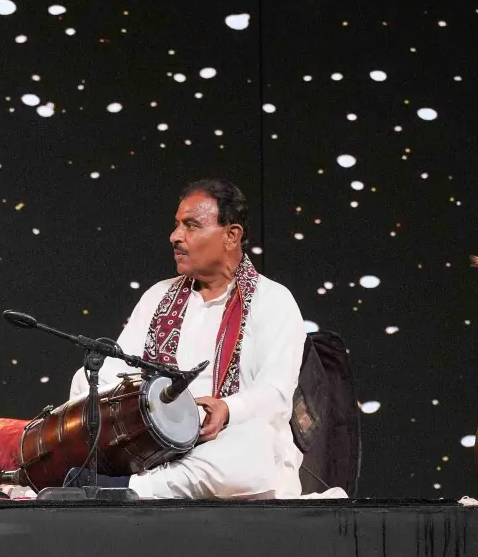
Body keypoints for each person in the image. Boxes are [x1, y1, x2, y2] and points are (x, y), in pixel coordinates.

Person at [66, 178, 307, 499]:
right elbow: (116, 371)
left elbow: (276, 394)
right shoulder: (158, 296)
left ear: (231, 235)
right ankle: (131, 482)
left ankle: (128, 489)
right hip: (154, 444)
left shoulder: (273, 300)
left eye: (191, 226)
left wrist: (226, 410)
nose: (175, 237)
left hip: (224, 446)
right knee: (87, 380)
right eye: (177, 225)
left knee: (253, 446)